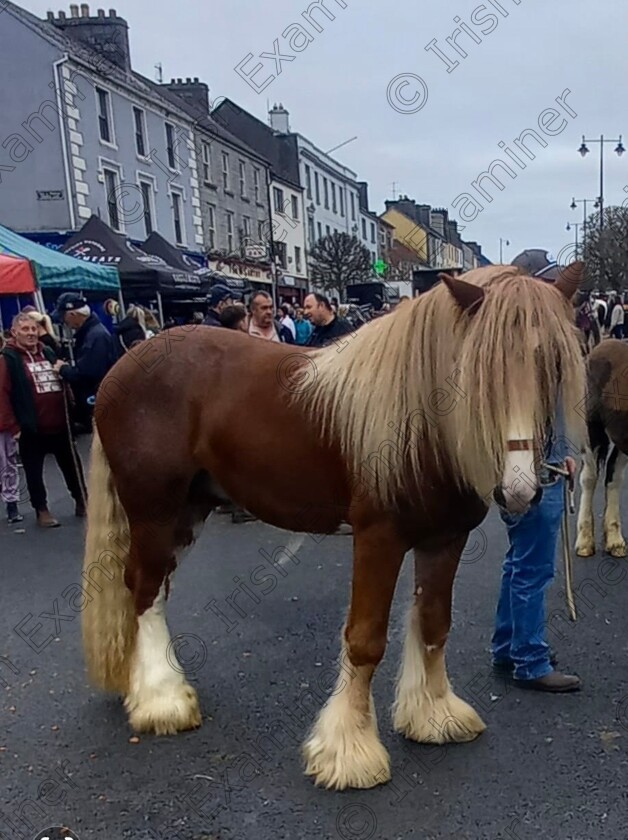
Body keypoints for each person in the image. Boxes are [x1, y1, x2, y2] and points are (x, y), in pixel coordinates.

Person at [491, 255, 581, 692]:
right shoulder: (539, 348)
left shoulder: (509, 344)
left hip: (518, 464)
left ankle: (508, 646)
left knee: (518, 562)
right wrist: (563, 451)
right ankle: (529, 659)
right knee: (533, 567)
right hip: (535, 465)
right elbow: (549, 412)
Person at [0, 313, 86, 527]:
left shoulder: (47, 351)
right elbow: (1, 395)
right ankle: (42, 510)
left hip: (60, 424)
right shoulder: (8, 358)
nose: (31, 333)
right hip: (31, 427)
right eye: (25, 329)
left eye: (33, 329)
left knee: (72, 466)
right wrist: (13, 427)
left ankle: (82, 501)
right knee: (34, 472)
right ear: (14, 332)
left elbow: (63, 379)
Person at [51, 292, 116, 432]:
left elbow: (89, 373)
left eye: (64, 317)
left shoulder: (96, 336)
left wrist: (64, 369)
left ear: (73, 315)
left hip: (97, 403)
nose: (64, 322)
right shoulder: (91, 333)